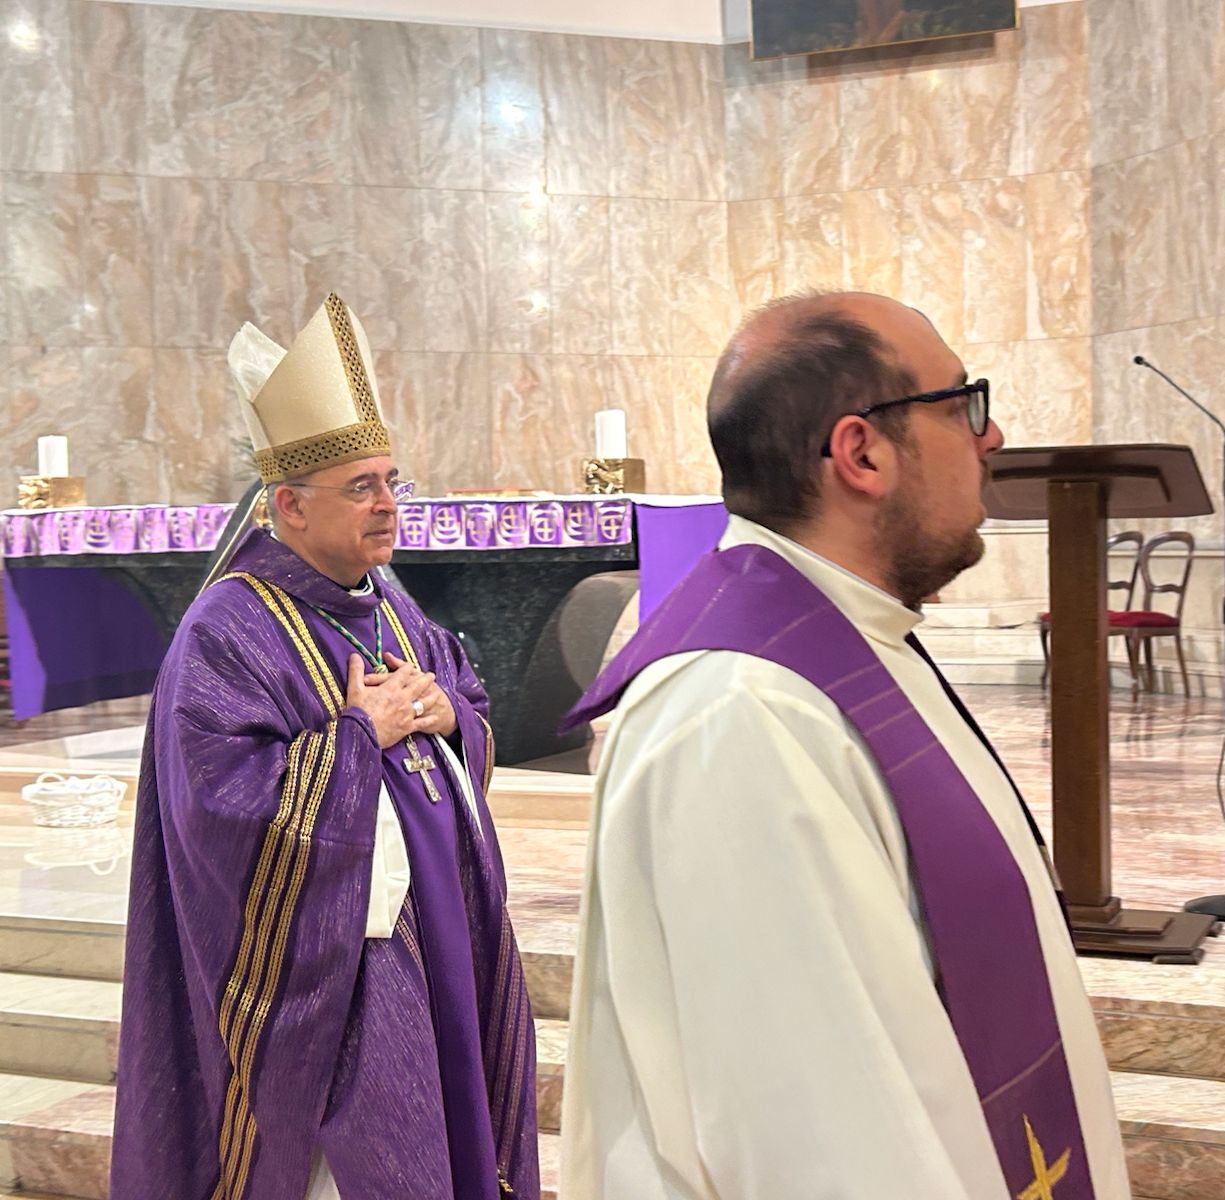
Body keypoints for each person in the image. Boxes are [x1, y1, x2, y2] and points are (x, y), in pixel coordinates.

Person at [560, 291, 1130, 1198]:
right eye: (962, 405)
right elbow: (819, 1143)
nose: (992, 437)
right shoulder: (741, 712)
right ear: (862, 454)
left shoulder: (850, 641)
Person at [111, 294, 541, 1199]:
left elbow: (464, 699)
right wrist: (355, 740)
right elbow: (221, 805)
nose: (387, 505)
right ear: (289, 506)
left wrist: (449, 717)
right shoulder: (227, 629)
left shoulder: (388, 604)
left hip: (442, 933)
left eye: (392, 482)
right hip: (338, 972)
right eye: (361, 488)